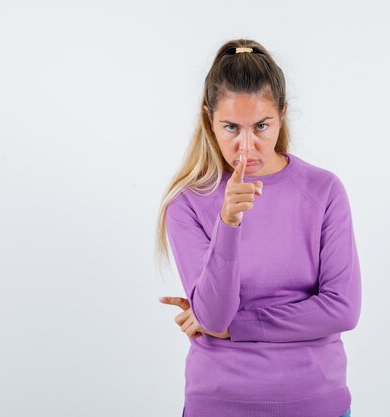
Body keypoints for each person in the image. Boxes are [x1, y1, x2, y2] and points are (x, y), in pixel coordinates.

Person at [154, 39, 361, 417]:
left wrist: (239, 328)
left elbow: (342, 309)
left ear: (282, 115)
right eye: (231, 127)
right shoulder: (186, 203)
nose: (246, 146)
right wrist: (228, 222)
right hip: (219, 404)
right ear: (208, 120)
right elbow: (214, 316)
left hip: (317, 404)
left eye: (261, 126)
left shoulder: (323, 190)